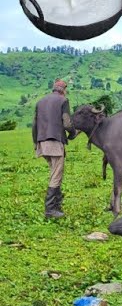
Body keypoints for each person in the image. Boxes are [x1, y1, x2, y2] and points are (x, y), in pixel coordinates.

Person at [32, 78, 71, 218]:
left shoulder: (40, 102)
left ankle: (57, 204)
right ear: (63, 90)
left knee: (54, 172)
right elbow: (66, 123)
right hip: (54, 141)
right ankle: (50, 209)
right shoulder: (63, 101)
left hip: (41, 141)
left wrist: (36, 143)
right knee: (56, 174)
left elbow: (34, 124)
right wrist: (72, 133)